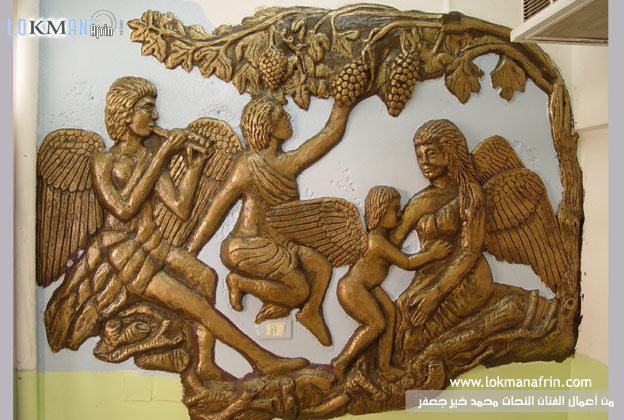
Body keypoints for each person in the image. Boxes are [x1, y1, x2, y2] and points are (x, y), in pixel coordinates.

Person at [45, 76, 307, 379]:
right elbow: (125, 209)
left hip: (151, 243)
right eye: (147, 109)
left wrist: (195, 165)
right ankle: (262, 360)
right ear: (126, 113)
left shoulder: (147, 156)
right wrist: (163, 155)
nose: (155, 116)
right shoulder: (105, 161)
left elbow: (180, 208)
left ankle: (204, 363)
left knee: (206, 277)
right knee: (198, 307)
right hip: (122, 252)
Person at [187, 96, 354, 346]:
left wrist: (344, 103)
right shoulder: (247, 165)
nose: (289, 118)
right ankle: (240, 282)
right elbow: (216, 209)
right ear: (267, 127)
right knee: (299, 291)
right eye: (281, 116)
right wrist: (192, 250)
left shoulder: (288, 163)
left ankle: (309, 312)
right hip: (245, 245)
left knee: (321, 267)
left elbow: (328, 135)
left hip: (277, 242)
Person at [390, 119, 495, 360]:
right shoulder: (420, 201)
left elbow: (470, 252)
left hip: (466, 277)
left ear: (449, 154)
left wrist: (435, 294)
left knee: (413, 340)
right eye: (419, 156)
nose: (424, 162)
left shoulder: (470, 194)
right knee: (399, 311)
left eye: (431, 153)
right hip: (429, 274)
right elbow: (392, 243)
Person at [330, 186, 451, 380]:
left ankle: (385, 366)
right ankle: (341, 362)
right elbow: (407, 262)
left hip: (369, 287)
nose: (400, 214)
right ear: (381, 211)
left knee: (391, 312)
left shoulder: (382, 239)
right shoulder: (376, 242)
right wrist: (432, 254)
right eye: (395, 209)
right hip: (353, 289)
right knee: (376, 324)